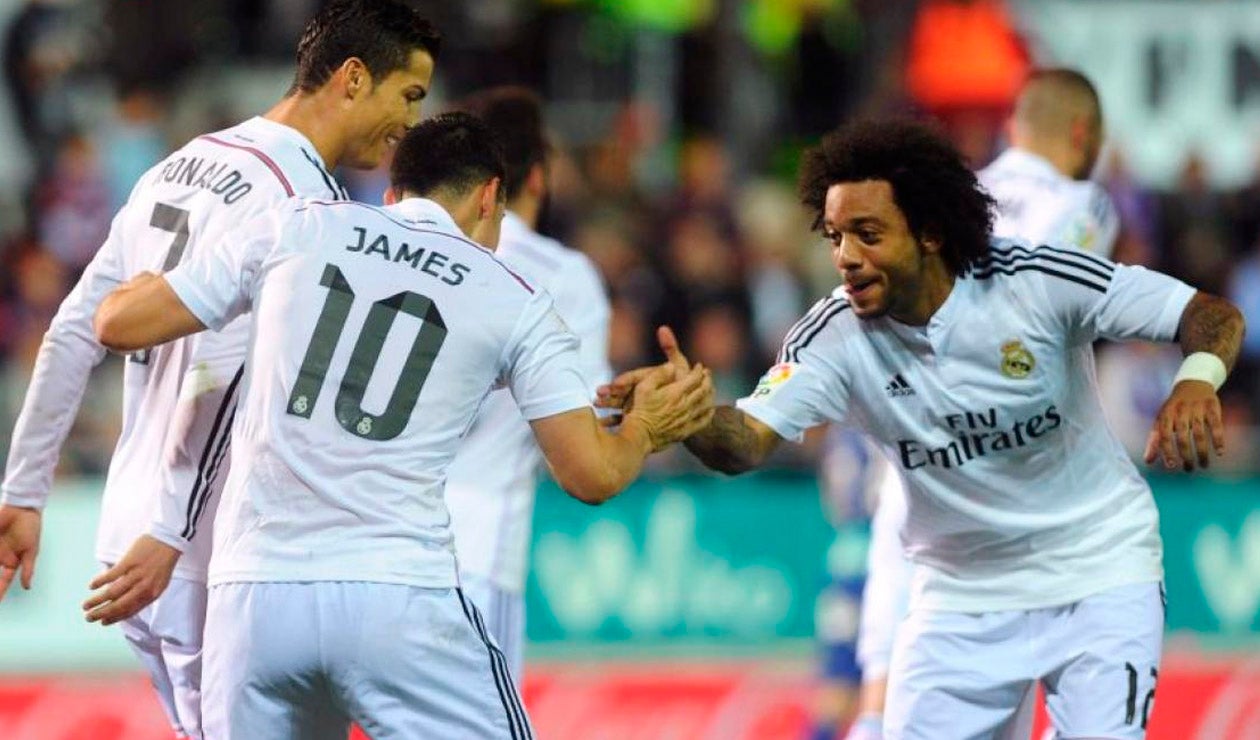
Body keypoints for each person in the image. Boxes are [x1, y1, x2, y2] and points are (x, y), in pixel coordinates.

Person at [599, 119, 1244, 739]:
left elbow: (1210, 316)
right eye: (834, 237)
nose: (845, 257)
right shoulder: (834, 337)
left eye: (868, 233)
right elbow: (745, 440)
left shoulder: (1036, 283)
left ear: (931, 231)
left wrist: (1195, 380)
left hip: (1097, 572)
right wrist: (680, 415)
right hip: (959, 600)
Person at [91, 111, 714, 739]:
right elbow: (590, 474)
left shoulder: (295, 227)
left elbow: (116, 323)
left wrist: (146, 274)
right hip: (396, 594)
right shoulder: (515, 298)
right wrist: (646, 429)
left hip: (253, 598)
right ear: (489, 197)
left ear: (393, 193)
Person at [0, 2, 441, 736]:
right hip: (200, 552)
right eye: (409, 95)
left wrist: (23, 489)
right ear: (355, 79)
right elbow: (223, 365)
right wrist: (173, 530)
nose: (410, 123)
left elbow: (74, 329)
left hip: (127, 533)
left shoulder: (183, 161)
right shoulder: (306, 207)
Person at [847, 67, 1121, 739]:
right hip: (1007, 467)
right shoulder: (1083, 205)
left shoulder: (946, 203)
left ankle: (873, 714)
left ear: (1012, 129)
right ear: (1084, 135)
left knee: (896, 670)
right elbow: (1055, 311)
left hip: (912, 440)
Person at [443, 86, 612, 681]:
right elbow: (590, 429)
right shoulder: (564, 278)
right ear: (537, 177)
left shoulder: (410, 254)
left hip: (374, 543)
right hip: (479, 551)